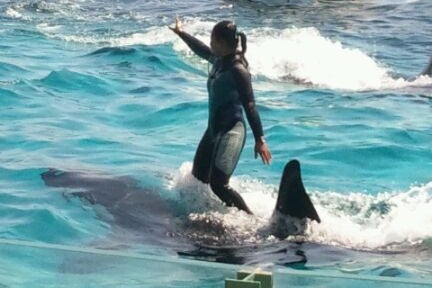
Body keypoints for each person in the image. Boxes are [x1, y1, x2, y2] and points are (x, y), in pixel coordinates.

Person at [170, 18, 272, 215]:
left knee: (219, 185)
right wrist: (181, 33)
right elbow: (201, 50)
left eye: (213, 40)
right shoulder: (219, 60)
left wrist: (260, 139)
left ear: (223, 44)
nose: (210, 43)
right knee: (198, 178)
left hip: (232, 131)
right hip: (213, 130)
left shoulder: (238, 70)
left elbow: (250, 104)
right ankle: (207, 213)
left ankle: (250, 219)